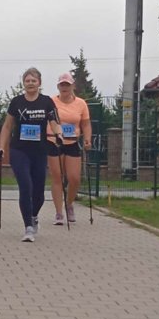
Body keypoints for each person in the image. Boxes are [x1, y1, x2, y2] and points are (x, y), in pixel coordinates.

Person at [0, 67, 63, 242]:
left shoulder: (46, 102)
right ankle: (28, 227)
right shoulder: (16, 102)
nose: (30, 83)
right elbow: (7, 126)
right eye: (27, 80)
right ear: (23, 83)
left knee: (38, 192)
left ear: (39, 83)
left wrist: (58, 134)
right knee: (25, 186)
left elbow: (54, 122)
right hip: (19, 150)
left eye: (33, 80)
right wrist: (1, 147)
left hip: (39, 151)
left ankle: (34, 216)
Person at [47, 72, 92, 224]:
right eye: (62, 85)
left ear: (73, 86)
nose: (64, 87)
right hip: (54, 141)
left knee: (74, 178)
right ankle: (59, 213)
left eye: (67, 84)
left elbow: (86, 124)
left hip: (72, 141)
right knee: (57, 177)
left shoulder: (81, 103)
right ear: (58, 86)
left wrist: (87, 139)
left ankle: (69, 203)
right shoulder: (51, 102)